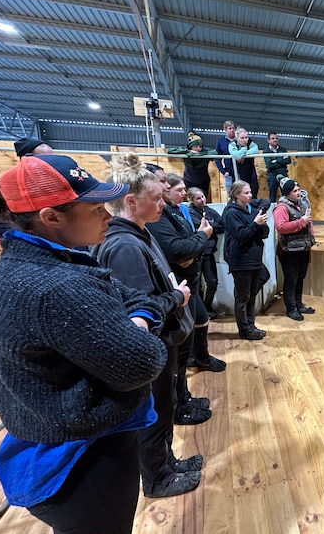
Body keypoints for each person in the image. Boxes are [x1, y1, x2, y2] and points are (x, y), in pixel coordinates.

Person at [0, 154, 166, 533]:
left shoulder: (50, 259)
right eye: (95, 209)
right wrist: (138, 328)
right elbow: (142, 363)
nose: (107, 216)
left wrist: (136, 320)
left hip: (71, 434)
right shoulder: (57, 285)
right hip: (81, 458)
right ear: (52, 217)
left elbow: (138, 300)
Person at [96, 153, 202, 498]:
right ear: (131, 201)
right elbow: (140, 310)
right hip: (151, 347)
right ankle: (157, 478)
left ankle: (166, 463)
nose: (162, 204)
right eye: (156, 198)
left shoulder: (138, 233)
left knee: (165, 407)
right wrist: (176, 298)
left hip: (164, 343)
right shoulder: (124, 245)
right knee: (154, 414)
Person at [146, 173, 223, 427]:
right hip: (175, 289)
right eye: (164, 185)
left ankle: (184, 397)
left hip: (185, 282)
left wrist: (194, 246)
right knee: (176, 354)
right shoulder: (152, 223)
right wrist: (200, 239)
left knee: (186, 342)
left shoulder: (174, 212)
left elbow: (187, 247)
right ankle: (179, 407)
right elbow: (178, 250)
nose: (167, 187)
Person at [0, 138, 56, 240]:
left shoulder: (58, 175)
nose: (52, 162)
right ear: (26, 158)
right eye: (44, 158)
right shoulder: (12, 181)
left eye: (53, 157)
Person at [222, 180, 270, 340]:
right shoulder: (231, 213)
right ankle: (245, 330)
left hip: (254, 258)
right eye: (246, 193)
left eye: (250, 192)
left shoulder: (251, 210)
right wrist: (255, 224)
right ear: (236, 195)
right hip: (241, 260)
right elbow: (242, 236)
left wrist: (255, 226)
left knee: (250, 296)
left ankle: (251, 325)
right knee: (242, 297)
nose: (250, 195)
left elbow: (265, 231)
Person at [273, 177, 316, 321]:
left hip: (302, 248)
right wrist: (301, 222)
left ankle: (298, 304)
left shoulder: (301, 204)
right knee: (291, 280)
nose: (299, 193)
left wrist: (311, 237)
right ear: (287, 193)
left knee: (300, 278)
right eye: (295, 191)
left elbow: (309, 223)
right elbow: (281, 227)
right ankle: (291, 308)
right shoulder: (282, 208)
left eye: (298, 189)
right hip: (289, 251)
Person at [187, 186, 225, 319]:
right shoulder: (189, 212)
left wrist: (210, 226)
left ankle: (207, 306)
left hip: (209, 253)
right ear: (191, 200)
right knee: (197, 285)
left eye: (203, 196)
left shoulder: (209, 210)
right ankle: (200, 310)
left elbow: (222, 225)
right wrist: (211, 227)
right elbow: (201, 230)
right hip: (196, 254)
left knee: (212, 281)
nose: (202, 200)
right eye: (198, 198)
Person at [167, 132, 218, 201]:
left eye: (200, 146)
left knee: (203, 199)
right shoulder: (186, 151)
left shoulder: (205, 151)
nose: (198, 148)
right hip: (189, 181)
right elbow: (170, 151)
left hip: (203, 181)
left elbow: (215, 153)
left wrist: (200, 154)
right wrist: (187, 152)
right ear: (191, 147)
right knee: (191, 199)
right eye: (196, 146)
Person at [228, 127, 261, 199]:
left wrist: (243, 156)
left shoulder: (251, 143)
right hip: (238, 173)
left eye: (246, 137)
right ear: (237, 138)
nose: (245, 140)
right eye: (242, 138)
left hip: (251, 172)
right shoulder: (232, 145)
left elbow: (255, 150)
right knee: (240, 193)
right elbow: (236, 156)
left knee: (254, 191)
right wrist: (244, 149)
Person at [264, 132, 292, 203]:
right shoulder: (266, 151)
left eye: (276, 138)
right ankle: (272, 211)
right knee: (272, 196)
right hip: (272, 175)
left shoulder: (283, 150)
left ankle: (287, 211)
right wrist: (281, 160)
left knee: (286, 195)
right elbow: (269, 165)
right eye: (273, 138)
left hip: (283, 175)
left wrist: (275, 160)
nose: (275, 140)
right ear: (268, 140)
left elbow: (288, 160)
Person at [214, 120, 237, 199]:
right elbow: (217, 158)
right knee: (230, 195)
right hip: (229, 173)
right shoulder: (220, 142)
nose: (232, 130)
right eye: (229, 128)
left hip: (240, 172)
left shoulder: (239, 140)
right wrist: (223, 171)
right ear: (225, 130)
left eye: (233, 128)